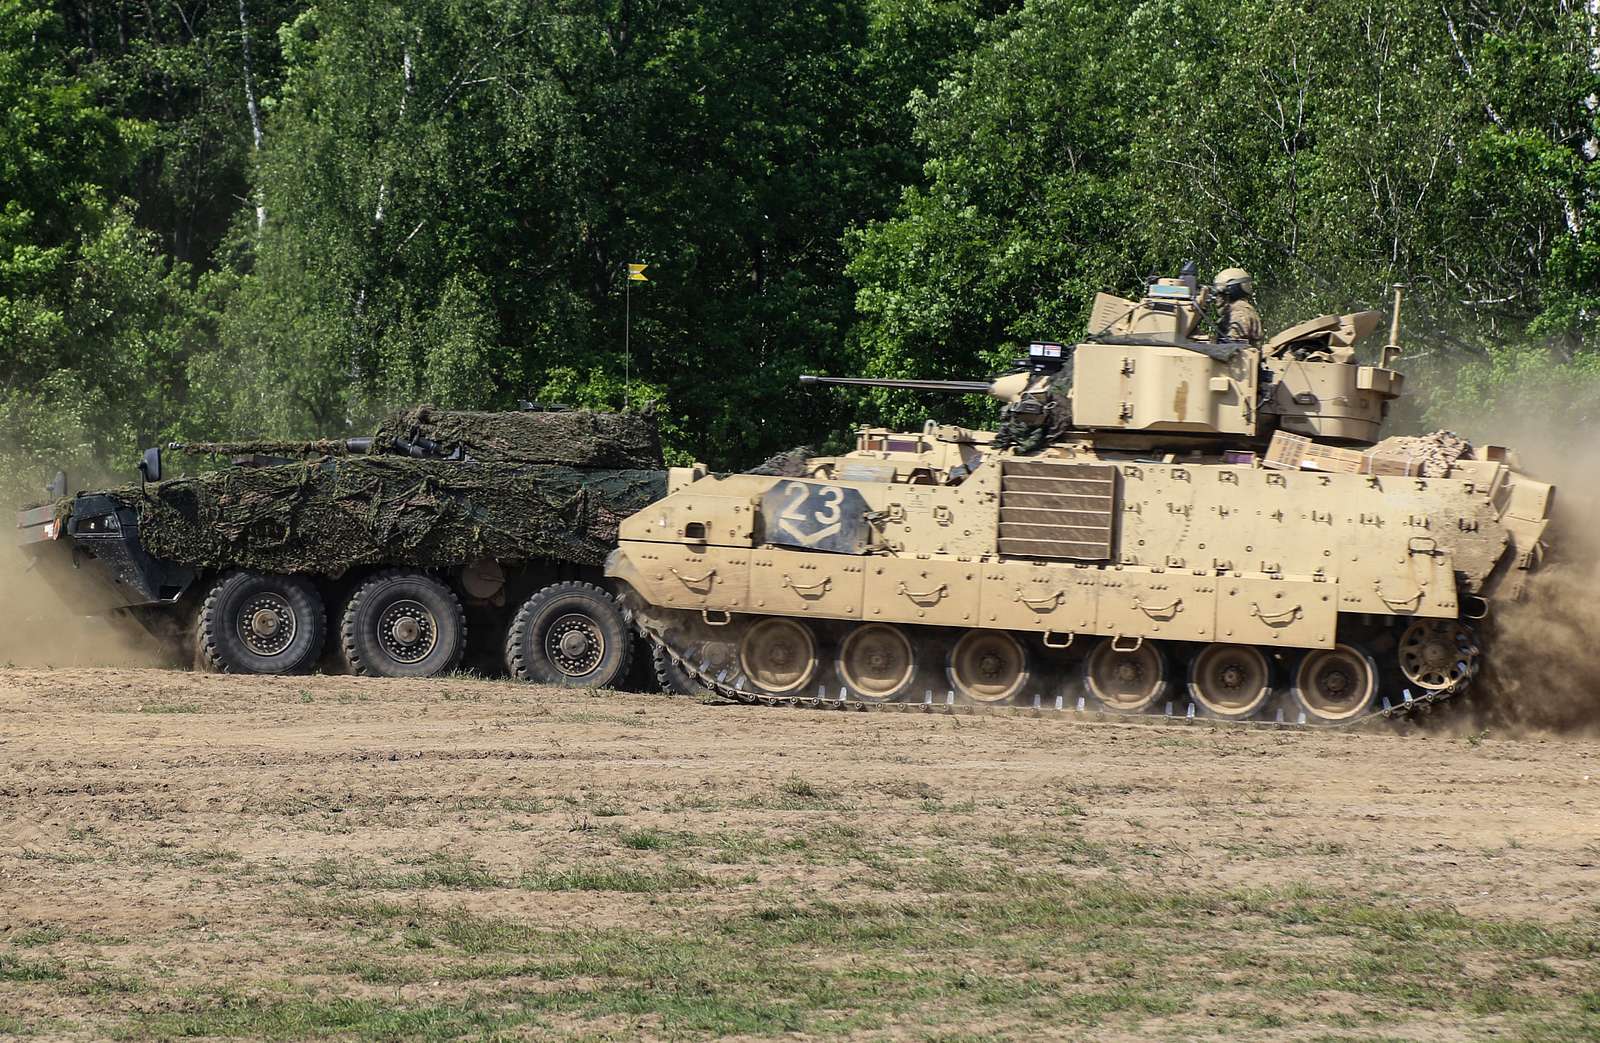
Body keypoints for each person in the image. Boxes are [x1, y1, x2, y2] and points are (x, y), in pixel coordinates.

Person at [1212, 268, 1262, 344]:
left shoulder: (1239, 311)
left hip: (1241, 355)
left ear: (1232, 290)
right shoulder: (1235, 310)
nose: (1216, 298)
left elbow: (1231, 344)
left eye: (1219, 294)